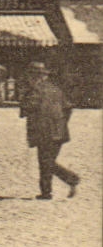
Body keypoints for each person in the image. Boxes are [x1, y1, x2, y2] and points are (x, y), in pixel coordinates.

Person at [20, 62, 80, 200]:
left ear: (35, 76)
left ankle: (66, 182)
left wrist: (23, 102)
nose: (29, 79)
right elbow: (68, 107)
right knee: (48, 161)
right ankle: (49, 190)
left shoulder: (34, 90)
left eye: (30, 75)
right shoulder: (56, 89)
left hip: (44, 131)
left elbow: (27, 108)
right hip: (59, 130)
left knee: (45, 162)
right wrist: (61, 123)